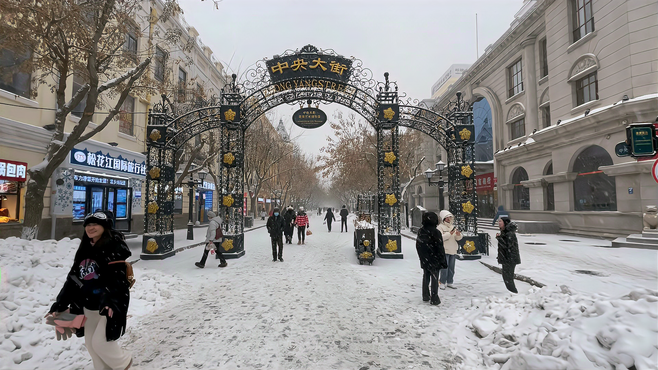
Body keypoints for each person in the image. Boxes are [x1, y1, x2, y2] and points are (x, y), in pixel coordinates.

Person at [48, 211, 133, 370]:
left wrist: (109, 302)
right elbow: (73, 279)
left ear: (105, 226)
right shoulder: (85, 248)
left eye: (95, 224)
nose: (90, 227)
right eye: (87, 224)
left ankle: (124, 363)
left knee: (100, 343)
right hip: (88, 305)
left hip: (108, 305)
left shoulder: (114, 247)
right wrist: (60, 305)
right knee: (91, 345)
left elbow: (117, 281)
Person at [415, 211, 448, 305]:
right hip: (435, 259)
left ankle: (425, 295)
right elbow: (440, 247)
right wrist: (442, 260)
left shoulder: (421, 231)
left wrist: (422, 256)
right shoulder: (436, 232)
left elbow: (418, 245)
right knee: (434, 278)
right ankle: (434, 297)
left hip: (425, 258)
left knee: (426, 276)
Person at [438, 210, 462, 290]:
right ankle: (442, 282)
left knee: (451, 267)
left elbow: (457, 238)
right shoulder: (440, 227)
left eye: (450, 218)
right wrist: (449, 234)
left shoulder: (452, 227)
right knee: (445, 267)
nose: (448, 219)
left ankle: (450, 281)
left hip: (453, 249)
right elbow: (440, 238)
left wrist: (458, 235)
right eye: (447, 218)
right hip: (445, 250)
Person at [496, 216, 521, 293]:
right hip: (507, 259)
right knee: (506, 278)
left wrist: (499, 238)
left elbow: (507, 246)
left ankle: (515, 294)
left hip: (510, 259)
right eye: (499, 221)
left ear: (505, 223)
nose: (499, 223)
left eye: (500, 221)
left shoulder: (510, 233)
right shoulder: (505, 232)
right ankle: (513, 294)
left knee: (508, 279)